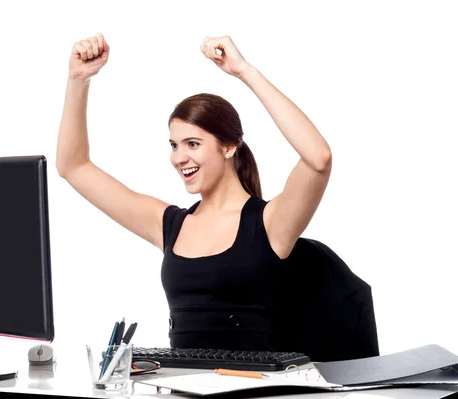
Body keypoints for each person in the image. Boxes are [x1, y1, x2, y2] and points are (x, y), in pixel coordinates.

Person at [56, 33, 333, 352]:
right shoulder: (169, 224)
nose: (179, 157)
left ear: (229, 147)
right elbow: (73, 167)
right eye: (174, 145)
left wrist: (244, 71)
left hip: (252, 389)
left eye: (193, 144)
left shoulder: (271, 223)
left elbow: (318, 158)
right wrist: (78, 80)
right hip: (183, 387)